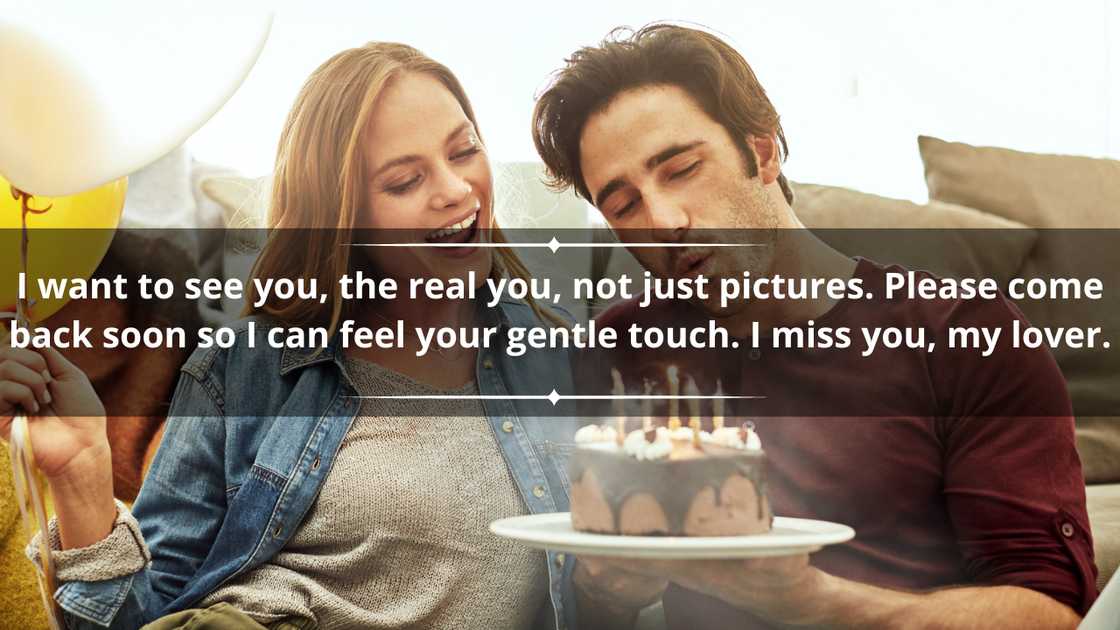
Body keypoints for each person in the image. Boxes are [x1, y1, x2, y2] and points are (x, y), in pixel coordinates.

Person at [532, 24, 1098, 629]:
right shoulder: (619, 351)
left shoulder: (965, 334)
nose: (664, 221)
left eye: (682, 169)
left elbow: (1052, 614)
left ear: (763, 152)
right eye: (623, 205)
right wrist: (604, 593)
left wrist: (811, 601)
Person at [0, 42, 582, 630]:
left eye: (464, 150)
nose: (455, 189)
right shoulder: (245, 369)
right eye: (405, 181)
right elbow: (134, 617)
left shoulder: (560, 361)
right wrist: (82, 471)